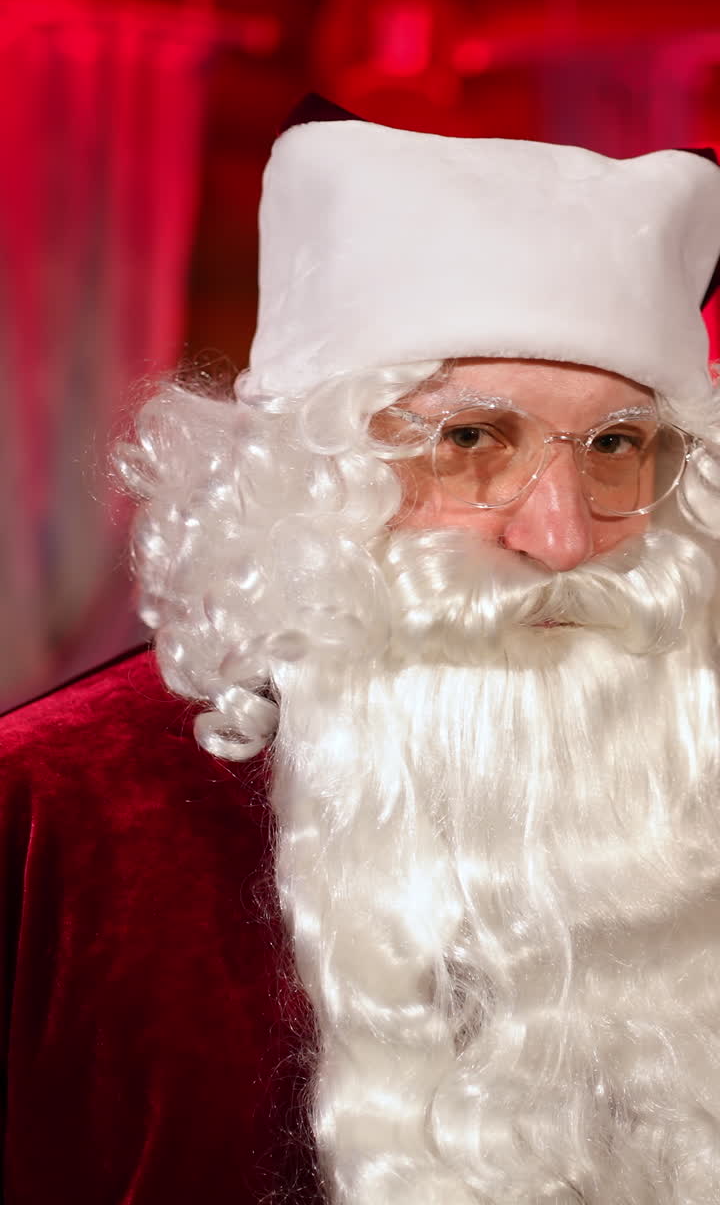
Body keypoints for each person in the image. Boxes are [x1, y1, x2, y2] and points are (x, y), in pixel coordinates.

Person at [3, 95, 720, 1204]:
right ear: (302, 478)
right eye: (470, 439)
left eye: (618, 445)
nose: (562, 536)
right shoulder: (51, 814)